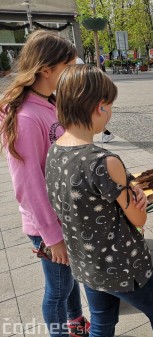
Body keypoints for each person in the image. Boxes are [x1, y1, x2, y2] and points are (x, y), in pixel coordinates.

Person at [46, 64, 153, 337]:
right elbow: (139, 218)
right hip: (123, 265)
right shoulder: (103, 162)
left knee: (103, 322)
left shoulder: (54, 151)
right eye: (110, 105)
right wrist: (136, 196)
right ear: (99, 107)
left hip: (86, 263)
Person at [0, 31, 89, 337]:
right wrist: (52, 237)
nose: (71, 73)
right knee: (57, 291)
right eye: (67, 66)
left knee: (69, 279)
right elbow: (29, 185)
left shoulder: (48, 102)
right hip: (48, 226)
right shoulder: (26, 117)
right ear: (46, 69)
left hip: (64, 217)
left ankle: (76, 323)